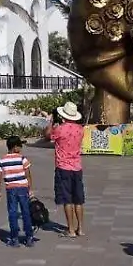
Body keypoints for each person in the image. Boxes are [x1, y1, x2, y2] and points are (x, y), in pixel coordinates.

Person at [48, 102, 86, 238]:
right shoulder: (81, 129)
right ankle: (80, 228)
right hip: (77, 166)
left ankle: (70, 229)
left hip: (63, 167)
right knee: (78, 199)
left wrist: (51, 122)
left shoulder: (59, 129)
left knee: (67, 199)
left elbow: (47, 136)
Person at [0, 136, 35, 247]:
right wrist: (30, 189)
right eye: (19, 146)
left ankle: (14, 238)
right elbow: (28, 175)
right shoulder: (22, 159)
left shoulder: (2, 160)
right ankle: (29, 237)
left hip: (10, 189)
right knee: (25, 212)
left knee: (12, 213)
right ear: (15, 147)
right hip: (23, 188)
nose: (21, 148)